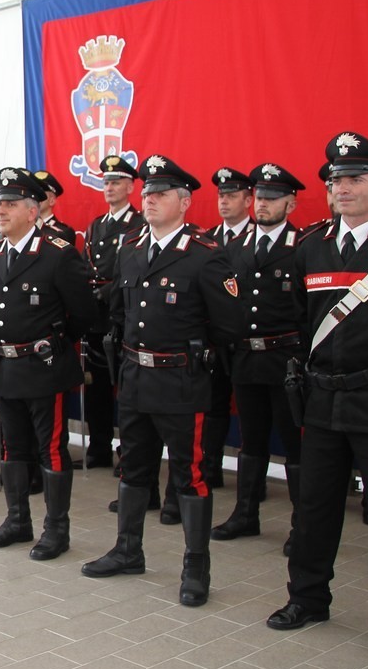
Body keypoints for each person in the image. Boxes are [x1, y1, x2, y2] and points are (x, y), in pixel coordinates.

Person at [265, 132, 368, 669]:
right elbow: (298, 320)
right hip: (323, 404)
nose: (342, 187)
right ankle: (307, 598)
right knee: (314, 509)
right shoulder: (311, 247)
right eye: (335, 180)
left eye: (354, 178)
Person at [82, 155, 242, 608]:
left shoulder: (205, 255)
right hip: (134, 377)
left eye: (161, 194)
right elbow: (120, 311)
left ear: (185, 202)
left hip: (181, 381)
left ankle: (196, 566)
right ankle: (128, 549)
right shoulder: (131, 247)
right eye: (147, 193)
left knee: (189, 475)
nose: (150, 200)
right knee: (133, 467)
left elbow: (228, 325)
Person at [0, 168, 96, 560]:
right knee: (12, 448)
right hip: (6, 366)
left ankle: (56, 530)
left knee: (51, 449)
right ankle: (18, 520)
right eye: (0, 204)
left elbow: (83, 314)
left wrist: (55, 345)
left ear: (33, 211)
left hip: (45, 367)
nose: (2, 211)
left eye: (11, 204)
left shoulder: (58, 253)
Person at [212, 163, 305, 553]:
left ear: (290, 203)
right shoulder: (234, 248)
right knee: (251, 441)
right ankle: (246, 514)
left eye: (272, 198)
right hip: (246, 360)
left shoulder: (303, 247)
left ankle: (304, 525)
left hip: (286, 360)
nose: (264, 205)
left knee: (295, 444)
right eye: (260, 198)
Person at [81, 156, 144, 471]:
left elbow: (134, 271)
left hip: (121, 313)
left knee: (125, 387)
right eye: (106, 182)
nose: (109, 187)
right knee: (96, 386)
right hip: (96, 317)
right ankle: (99, 446)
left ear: (131, 187)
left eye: (116, 181)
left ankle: (129, 450)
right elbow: (85, 266)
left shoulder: (139, 224)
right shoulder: (97, 225)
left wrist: (108, 292)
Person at [201, 167, 256, 489]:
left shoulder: (257, 237)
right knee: (214, 404)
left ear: (248, 200)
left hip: (253, 339)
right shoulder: (208, 239)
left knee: (253, 413)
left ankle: (253, 481)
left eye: (232, 195)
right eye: (221, 196)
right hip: (218, 339)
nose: (224, 201)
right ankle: (212, 467)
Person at [33, 169, 79, 248]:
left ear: (52, 201)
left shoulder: (64, 232)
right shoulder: (25, 227)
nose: (36, 197)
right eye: (34, 192)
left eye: (41, 194)